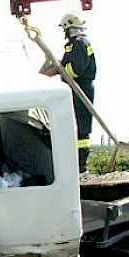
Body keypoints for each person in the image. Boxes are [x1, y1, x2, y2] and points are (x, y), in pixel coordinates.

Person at [43, 11, 97, 175]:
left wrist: (58, 70)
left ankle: (81, 168)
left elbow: (75, 69)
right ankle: (77, 166)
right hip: (77, 88)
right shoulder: (78, 44)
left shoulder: (78, 43)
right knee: (76, 127)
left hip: (80, 89)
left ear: (69, 27)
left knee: (81, 128)